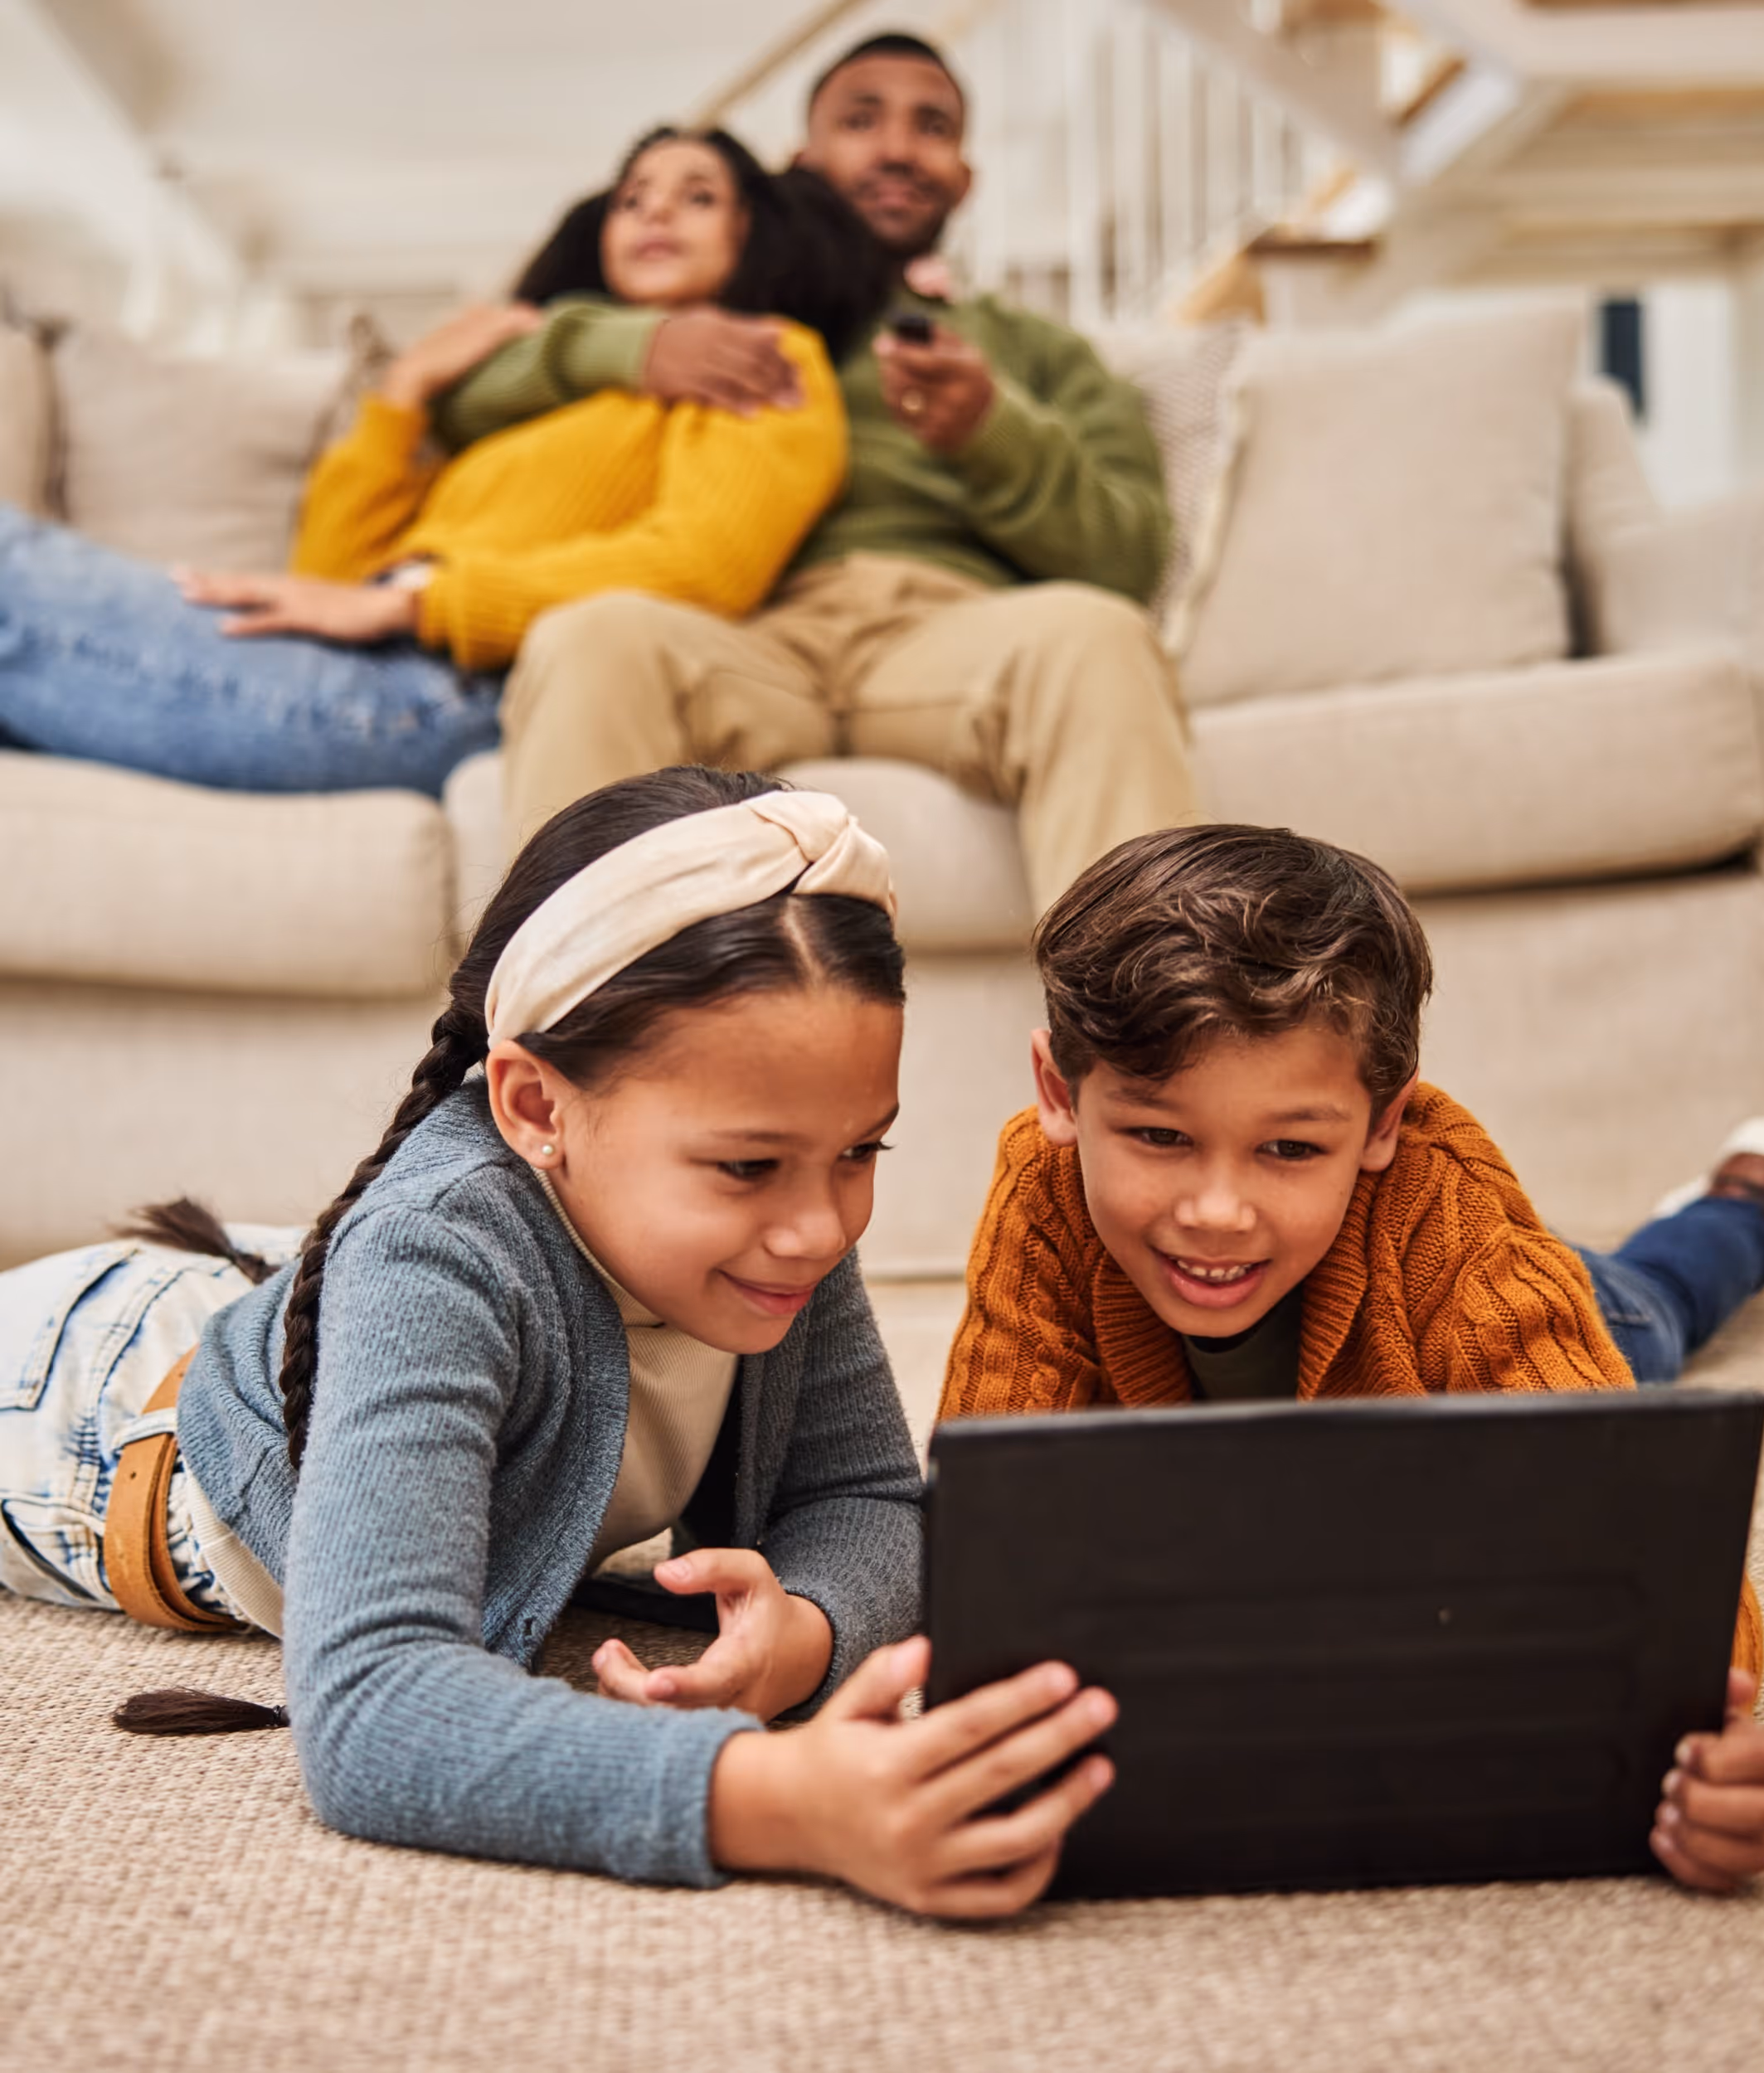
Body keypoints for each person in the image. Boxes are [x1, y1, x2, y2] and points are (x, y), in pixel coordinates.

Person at [0, 767, 1116, 1917]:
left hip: (296, 1294)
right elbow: (373, 1704)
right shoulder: (436, 1256)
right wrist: (778, 1792)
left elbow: (870, 1499)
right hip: (87, 1414)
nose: (822, 1227)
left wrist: (802, 1634)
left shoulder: (772, 1231)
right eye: (746, 1166)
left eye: (859, 1153)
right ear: (535, 1107)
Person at [938, 823, 1764, 1895]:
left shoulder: (1451, 1218)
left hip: (1548, 1313)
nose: (1216, 1213)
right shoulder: (1041, 1190)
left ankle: (1736, 1209)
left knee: (1660, 1301)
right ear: (1060, 1094)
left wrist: (1691, 1756)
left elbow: (1674, 1594)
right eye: (1158, 1137)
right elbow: (991, 1541)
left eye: (1289, 1148)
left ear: (1381, 1122)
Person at [437, 32, 1202, 914]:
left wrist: (994, 432)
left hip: (953, 636)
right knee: (590, 637)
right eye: (861, 119)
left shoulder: (1039, 352)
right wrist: (644, 343)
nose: (896, 147)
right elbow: (460, 401)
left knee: (1097, 637)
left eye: (933, 126)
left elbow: (1130, 556)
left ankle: (1144, 1044)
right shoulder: (720, 317)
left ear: (965, 177)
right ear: (799, 163)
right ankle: (572, 1039)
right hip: (750, 635)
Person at [0, 129, 884, 798]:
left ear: (750, 231)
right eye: (631, 196)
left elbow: (701, 566)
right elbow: (331, 575)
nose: (653, 211)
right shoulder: (532, 404)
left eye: (696, 196)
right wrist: (407, 389)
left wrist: (418, 600)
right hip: (373, 669)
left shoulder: (769, 359)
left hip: (459, 692)